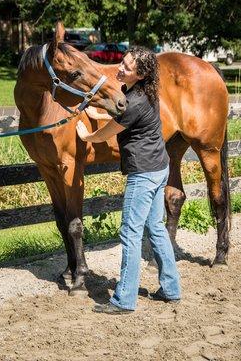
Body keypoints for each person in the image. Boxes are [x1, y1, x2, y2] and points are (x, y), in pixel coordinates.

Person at [76, 47, 181, 314]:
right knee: (155, 227)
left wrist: (87, 136)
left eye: (127, 67)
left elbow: (109, 132)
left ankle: (124, 300)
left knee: (130, 233)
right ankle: (171, 289)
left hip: (144, 173)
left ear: (141, 74)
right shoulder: (143, 92)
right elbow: (120, 117)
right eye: (122, 62)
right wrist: (98, 114)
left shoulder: (133, 102)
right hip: (159, 168)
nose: (120, 68)